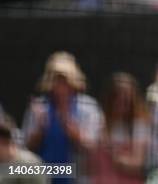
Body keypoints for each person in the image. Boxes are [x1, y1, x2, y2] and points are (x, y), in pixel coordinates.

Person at [22, 52, 104, 184]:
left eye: (63, 79)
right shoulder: (39, 106)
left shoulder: (88, 107)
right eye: (56, 79)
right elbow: (25, 148)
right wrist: (40, 129)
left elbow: (95, 149)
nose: (60, 85)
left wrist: (75, 133)